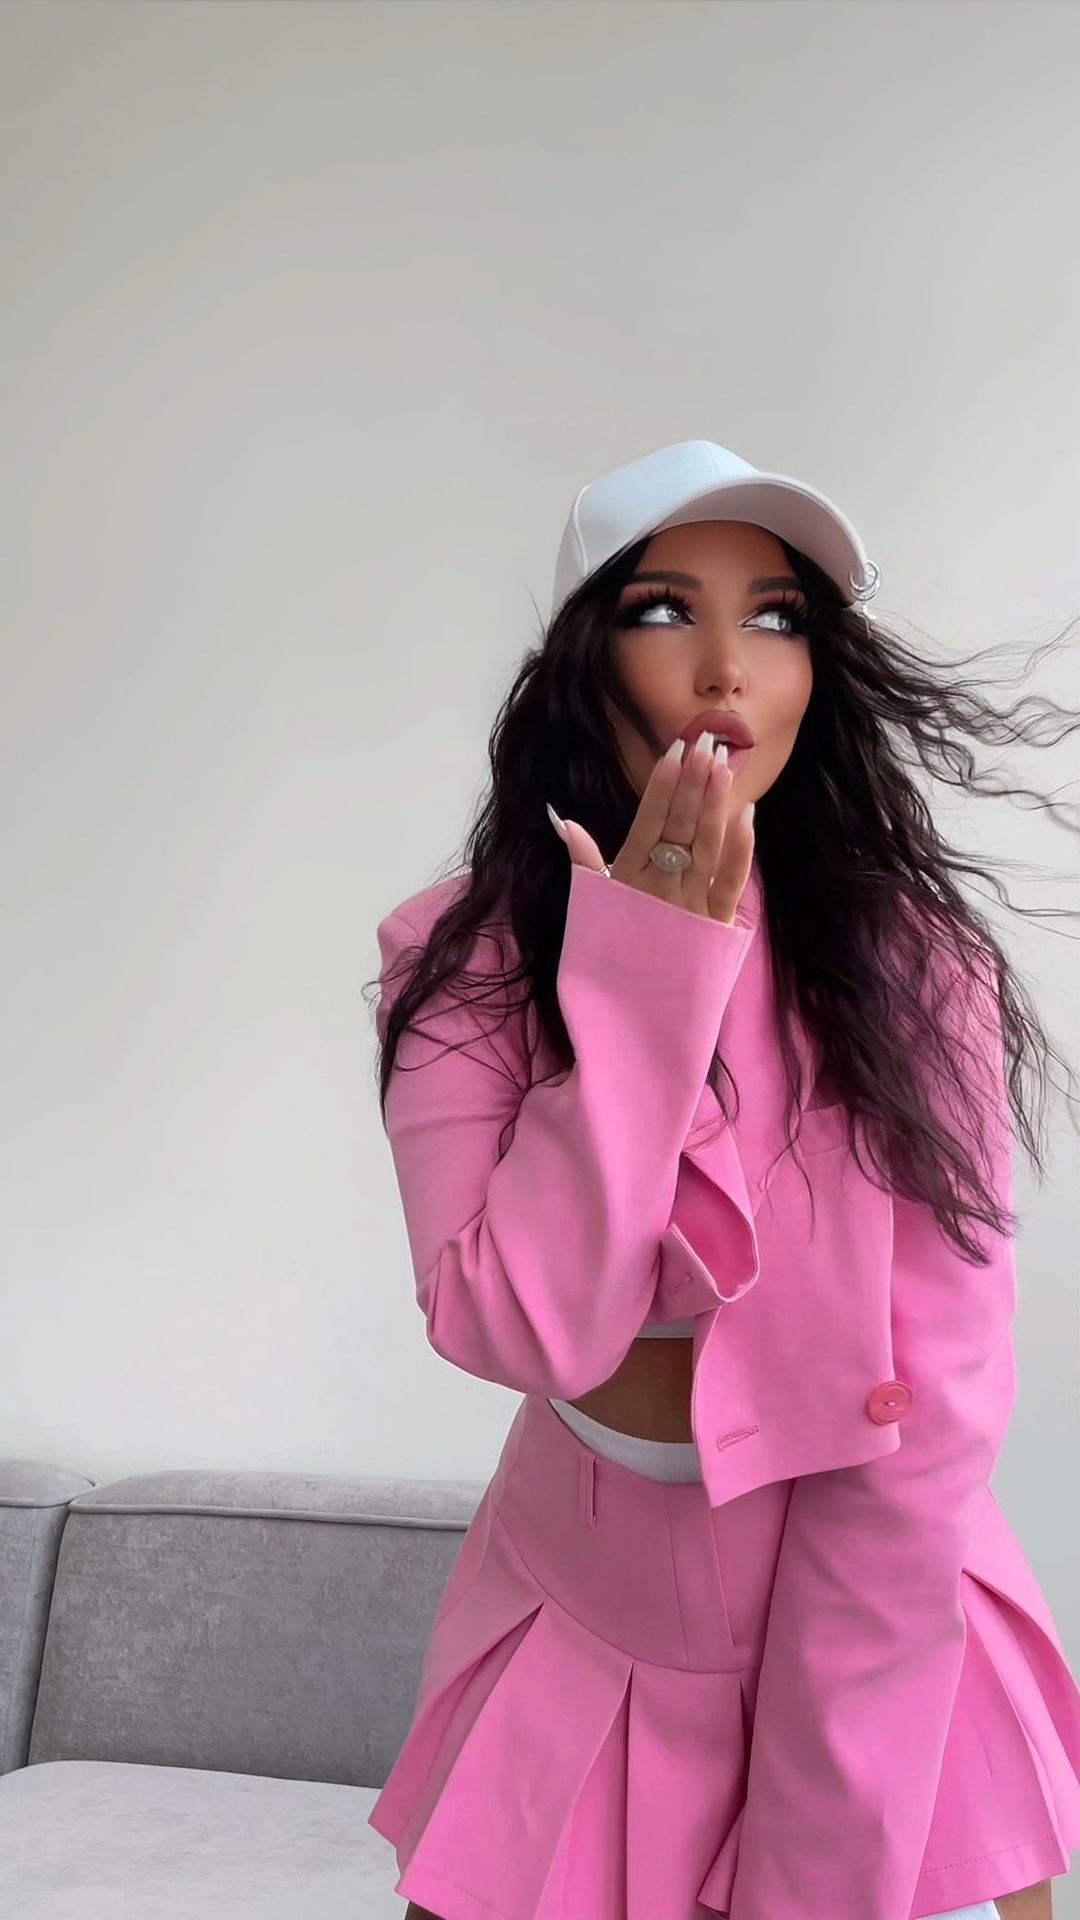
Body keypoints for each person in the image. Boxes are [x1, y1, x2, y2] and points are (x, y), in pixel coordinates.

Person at [363, 440, 1080, 1920]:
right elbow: (522, 1323)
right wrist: (645, 972)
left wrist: (811, 1874)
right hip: (579, 1633)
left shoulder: (912, 968)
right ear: (583, 664)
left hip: (893, 1642)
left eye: (774, 617)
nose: (725, 667)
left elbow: (930, 1413)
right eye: (661, 609)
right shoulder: (458, 961)